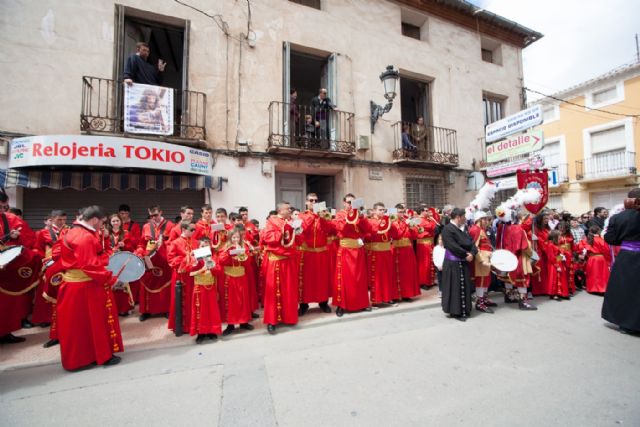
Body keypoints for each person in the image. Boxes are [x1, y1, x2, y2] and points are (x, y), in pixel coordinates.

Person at [56, 206, 123, 371]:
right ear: (94, 220)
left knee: (79, 326)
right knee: (95, 323)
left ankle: (85, 357)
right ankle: (98, 355)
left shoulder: (73, 231)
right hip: (85, 287)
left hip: (77, 284)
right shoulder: (84, 236)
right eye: (102, 222)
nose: (102, 226)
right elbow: (89, 265)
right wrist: (111, 278)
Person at [602, 188, 640, 334]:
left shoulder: (618, 217)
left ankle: (626, 323)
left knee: (625, 290)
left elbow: (611, 239)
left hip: (627, 257)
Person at [261, 201, 302, 334]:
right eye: (287, 208)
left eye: (290, 208)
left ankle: (289, 318)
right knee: (273, 293)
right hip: (276, 262)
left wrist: (298, 231)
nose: (290, 210)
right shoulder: (272, 221)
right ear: (280, 210)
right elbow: (267, 238)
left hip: (289, 261)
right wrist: (283, 230)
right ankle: (271, 321)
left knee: (289, 291)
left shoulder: (292, 221)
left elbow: (298, 241)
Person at [0, 207, 39, 344]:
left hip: (8, 267)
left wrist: (18, 236)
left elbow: (30, 239)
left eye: (3, 206)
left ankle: (5, 332)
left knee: (8, 302)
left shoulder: (11, 219)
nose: (1, 209)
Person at [332, 194, 373, 317]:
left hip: (358, 249)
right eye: (349, 202)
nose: (351, 205)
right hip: (345, 249)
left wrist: (362, 217)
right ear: (344, 203)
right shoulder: (339, 215)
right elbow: (341, 228)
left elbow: (367, 229)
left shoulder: (359, 215)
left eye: (353, 203)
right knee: (343, 278)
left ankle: (362, 303)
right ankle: (341, 305)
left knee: (360, 278)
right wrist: (350, 217)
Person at [298, 193, 334, 315]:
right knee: (306, 280)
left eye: (316, 200)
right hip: (307, 253)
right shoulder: (301, 216)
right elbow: (302, 229)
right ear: (306, 202)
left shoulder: (323, 215)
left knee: (322, 279)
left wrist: (322, 217)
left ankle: (323, 302)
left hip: (321, 253)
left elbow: (329, 230)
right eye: (311, 200)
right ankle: (303, 304)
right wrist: (313, 216)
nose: (314, 202)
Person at [135, 206, 174, 321]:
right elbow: (141, 243)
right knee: (146, 285)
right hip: (149, 260)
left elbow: (174, 243)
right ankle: (146, 311)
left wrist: (164, 243)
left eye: (156, 215)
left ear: (161, 212)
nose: (154, 218)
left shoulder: (170, 225)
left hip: (164, 261)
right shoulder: (146, 226)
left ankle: (166, 309)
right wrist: (140, 252)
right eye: (151, 216)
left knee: (166, 286)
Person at [440, 208, 477, 321]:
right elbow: (452, 246)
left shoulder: (462, 229)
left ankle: (465, 309)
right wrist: (466, 254)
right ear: (458, 217)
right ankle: (455, 311)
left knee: (465, 286)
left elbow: (472, 243)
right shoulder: (447, 229)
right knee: (454, 287)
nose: (465, 219)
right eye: (464, 217)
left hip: (463, 261)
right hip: (453, 263)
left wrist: (472, 253)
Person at [218, 227, 254, 336]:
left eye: (237, 237)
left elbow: (248, 262)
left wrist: (242, 254)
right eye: (233, 237)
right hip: (230, 277)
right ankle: (230, 324)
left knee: (243, 300)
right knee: (230, 301)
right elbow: (221, 260)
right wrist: (231, 253)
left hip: (241, 276)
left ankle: (244, 322)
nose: (236, 239)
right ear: (230, 238)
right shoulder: (225, 248)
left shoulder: (244, 247)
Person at [189, 237, 222, 343]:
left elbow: (218, 271)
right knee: (200, 310)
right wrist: (197, 263)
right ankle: (201, 333)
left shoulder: (214, 257)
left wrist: (210, 264)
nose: (204, 248)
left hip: (211, 286)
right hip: (199, 287)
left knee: (211, 309)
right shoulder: (194, 257)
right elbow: (189, 269)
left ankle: (212, 331)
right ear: (199, 247)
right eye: (202, 246)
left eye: (207, 246)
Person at [366, 203, 399, 306]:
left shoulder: (388, 221)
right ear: (374, 210)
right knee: (377, 276)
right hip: (375, 252)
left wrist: (392, 223)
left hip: (386, 251)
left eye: (384, 210)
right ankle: (376, 299)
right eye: (380, 210)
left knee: (387, 275)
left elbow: (395, 235)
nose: (382, 212)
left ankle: (387, 297)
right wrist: (383, 223)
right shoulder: (370, 221)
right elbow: (371, 233)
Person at [166, 221, 197, 333]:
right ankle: (181, 326)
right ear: (183, 229)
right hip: (181, 275)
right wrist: (187, 258)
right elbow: (171, 260)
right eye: (191, 230)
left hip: (193, 275)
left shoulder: (195, 242)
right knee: (180, 299)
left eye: (195, 230)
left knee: (193, 299)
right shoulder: (175, 243)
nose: (194, 232)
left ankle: (193, 324)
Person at [104, 213, 135, 316]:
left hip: (123, 262)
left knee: (123, 285)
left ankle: (125, 308)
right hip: (110, 262)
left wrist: (125, 245)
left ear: (121, 222)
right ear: (110, 223)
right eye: (113, 221)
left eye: (117, 221)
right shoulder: (106, 234)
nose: (116, 223)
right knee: (112, 285)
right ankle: (113, 309)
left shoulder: (126, 233)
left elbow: (132, 248)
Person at [468, 211, 496, 313]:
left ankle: (484, 299)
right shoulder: (475, 229)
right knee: (481, 281)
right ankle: (479, 303)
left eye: (486, 219)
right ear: (479, 220)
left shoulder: (481, 229)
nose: (486, 221)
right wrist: (481, 260)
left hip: (486, 258)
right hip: (480, 260)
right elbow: (474, 246)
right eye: (484, 219)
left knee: (486, 280)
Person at [392, 204, 420, 301]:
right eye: (400, 212)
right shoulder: (392, 222)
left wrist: (412, 227)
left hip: (408, 249)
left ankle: (407, 294)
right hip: (397, 249)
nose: (402, 214)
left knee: (408, 272)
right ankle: (396, 295)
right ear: (395, 212)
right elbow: (397, 235)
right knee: (396, 272)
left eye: (403, 212)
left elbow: (415, 236)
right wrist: (406, 225)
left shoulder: (408, 221)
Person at [578, 226, 611, 294]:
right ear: (598, 231)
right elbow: (607, 250)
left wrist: (585, 255)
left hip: (592, 258)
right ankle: (602, 288)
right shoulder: (601, 240)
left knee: (593, 274)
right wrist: (608, 261)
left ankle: (593, 288)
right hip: (601, 258)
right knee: (601, 274)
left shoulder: (587, 239)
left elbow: (581, 247)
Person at [416, 207, 437, 289]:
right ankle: (424, 282)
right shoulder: (419, 220)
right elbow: (431, 227)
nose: (428, 212)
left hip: (429, 242)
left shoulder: (427, 219)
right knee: (425, 263)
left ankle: (430, 281)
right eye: (426, 211)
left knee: (430, 262)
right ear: (421, 212)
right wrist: (433, 220)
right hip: (423, 244)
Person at [545, 230, 570, 300]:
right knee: (554, 279)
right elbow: (551, 257)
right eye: (559, 237)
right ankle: (554, 294)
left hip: (558, 262)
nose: (560, 238)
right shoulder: (550, 245)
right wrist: (557, 265)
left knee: (561, 278)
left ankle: (561, 293)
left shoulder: (556, 244)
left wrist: (562, 257)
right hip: (553, 264)